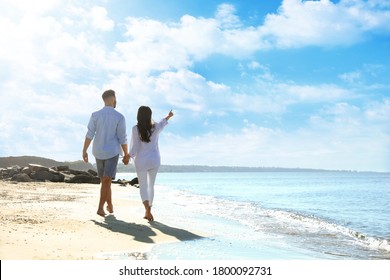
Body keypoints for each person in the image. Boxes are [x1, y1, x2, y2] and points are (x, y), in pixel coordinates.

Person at [82, 89, 130, 217]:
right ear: (113, 99)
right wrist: (126, 154)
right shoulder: (119, 117)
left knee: (105, 180)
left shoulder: (95, 115)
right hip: (112, 151)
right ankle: (100, 208)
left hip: (97, 151)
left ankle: (109, 205)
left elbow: (89, 134)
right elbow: (122, 137)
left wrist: (84, 150)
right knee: (106, 180)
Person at [129, 106, 174, 221]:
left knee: (143, 186)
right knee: (151, 186)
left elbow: (134, 148)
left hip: (141, 162)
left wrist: (128, 156)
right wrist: (169, 116)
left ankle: (147, 211)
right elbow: (163, 122)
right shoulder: (156, 127)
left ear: (138, 116)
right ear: (150, 115)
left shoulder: (135, 129)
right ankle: (149, 210)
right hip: (154, 161)